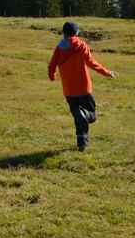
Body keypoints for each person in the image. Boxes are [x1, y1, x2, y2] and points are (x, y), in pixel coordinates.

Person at [48, 21, 116, 151]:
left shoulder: (59, 47)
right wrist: (107, 73)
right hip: (84, 89)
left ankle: (82, 145)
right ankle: (84, 115)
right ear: (76, 32)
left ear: (64, 33)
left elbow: (52, 65)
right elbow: (92, 63)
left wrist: (52, 75)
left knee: (79, 118)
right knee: (92, 115)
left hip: (69, 90)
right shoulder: (81, 45)